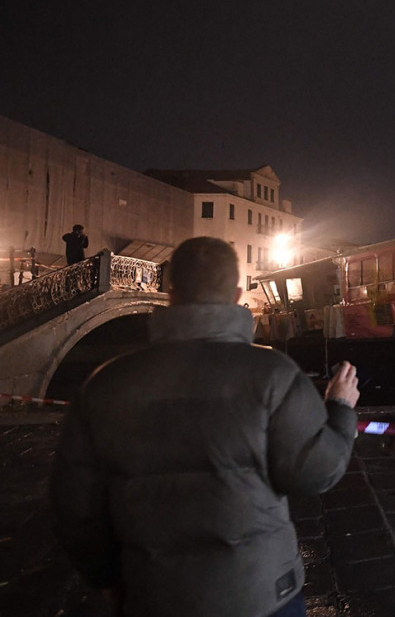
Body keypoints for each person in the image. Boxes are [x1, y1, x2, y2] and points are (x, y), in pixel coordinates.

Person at [50, 237, 360, 617]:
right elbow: (316, 473)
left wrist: (109, 580)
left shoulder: (105, 383)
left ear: (168, 291)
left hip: (153, 594)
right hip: (259, 593)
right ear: (237, 294)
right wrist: (341, 408)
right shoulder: (273, 373)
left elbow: (75, 506)